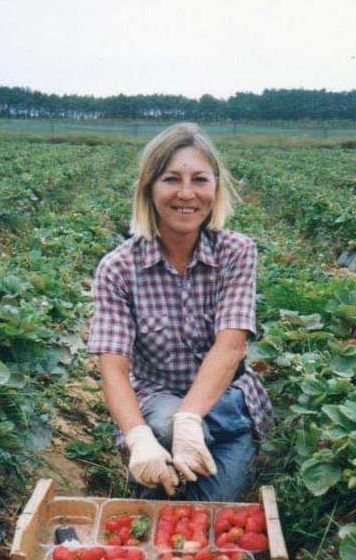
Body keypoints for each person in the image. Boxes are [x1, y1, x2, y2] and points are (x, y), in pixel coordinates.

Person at [87, 122, 273, 501]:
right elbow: (114, 366)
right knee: (165, 442)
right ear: (149, 188)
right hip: (157, 402)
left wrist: (190, 418)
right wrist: (138, 438)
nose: (187, 194)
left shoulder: (236, 252)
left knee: (209, 506)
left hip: (225, 407)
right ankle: (159, 449)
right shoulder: (118, 268)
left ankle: (215, 437)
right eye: (171, 179)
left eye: (200, 180)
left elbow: (231, 345)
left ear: (215, 189)